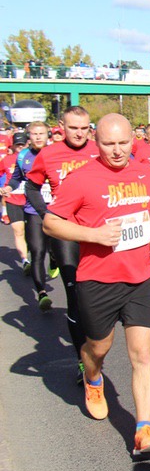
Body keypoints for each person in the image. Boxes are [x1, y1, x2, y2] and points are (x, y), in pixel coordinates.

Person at [43, 113, 150, 455]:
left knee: (143, 354)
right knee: (98, 348)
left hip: (141, 278)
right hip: (98, 280)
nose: (117, 150)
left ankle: (144, 429)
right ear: (95, 142)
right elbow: (51, 223)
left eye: (123, 143)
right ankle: (92, 377)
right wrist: (93, 235)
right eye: (109, 144)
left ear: (133, 140)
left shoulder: (146, 172)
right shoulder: (81, 179)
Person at [25, 106, 99, 384]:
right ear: (61, 126)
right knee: (75, 295)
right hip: (66, 234)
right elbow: (31, 187)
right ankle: (83, 362)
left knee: (96, 296)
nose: (79, 133)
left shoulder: (99, 150)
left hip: (96, 232)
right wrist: (46, 214)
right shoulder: (49, 154)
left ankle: (95, 346)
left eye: (84, 128)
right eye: (73, 128)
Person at [4, 124, 57, 310]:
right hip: (33, 210)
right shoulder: (23, 156)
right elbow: (16, 178)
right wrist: (8, 187)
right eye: (34, 134)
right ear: (29, 136)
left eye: (41, 133)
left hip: (57, 210)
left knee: (55, 249)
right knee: (37, 252)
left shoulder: (57, 153)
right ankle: (42, 293)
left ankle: (54, 260)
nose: (38, 137)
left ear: (48, 135)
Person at [0, 131, 32, 276]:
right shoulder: (7, 160)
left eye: (22, 145)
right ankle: (25, 261)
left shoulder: (34, 158)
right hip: (13, 200)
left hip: (31, 201)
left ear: (27, 144)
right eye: (17, 145)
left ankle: (33, 251)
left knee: (32, 233)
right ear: (13, 146)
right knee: (19, 231)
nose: (20, 148)